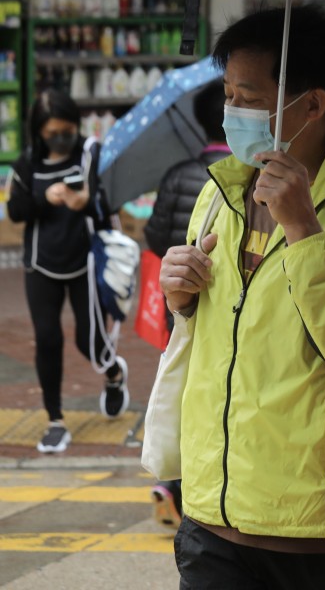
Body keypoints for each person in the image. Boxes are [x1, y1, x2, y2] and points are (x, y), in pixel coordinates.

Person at [159, 5, 325, 588]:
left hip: (323, 524)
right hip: (215, 512)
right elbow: (219, 327)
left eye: (249, 98)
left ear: (312, 105)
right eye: (228, 94)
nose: (232, 113)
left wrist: (304, 228)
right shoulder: (222, 191)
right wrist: (178, 295)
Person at [7, 89, 128, 454]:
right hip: (41, 263)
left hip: (85, 261)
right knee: (47, 338)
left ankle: (113, 373)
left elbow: (109, 202)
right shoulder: (27, 164)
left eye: (67, 129)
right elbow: (16, 210)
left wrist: (85, 201)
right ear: (39, 132)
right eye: (53, 132)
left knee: (88, 340)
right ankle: (55, 421)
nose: (62, 137)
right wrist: (47, 198)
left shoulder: (91, 154)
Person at [142, 80, 229, 531]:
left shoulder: (178, 174)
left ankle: (171, 479)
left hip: (179, 301)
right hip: (221, 307)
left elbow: (157, 235)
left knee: (177, 379)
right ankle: (187, 481)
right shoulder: (250, 177)